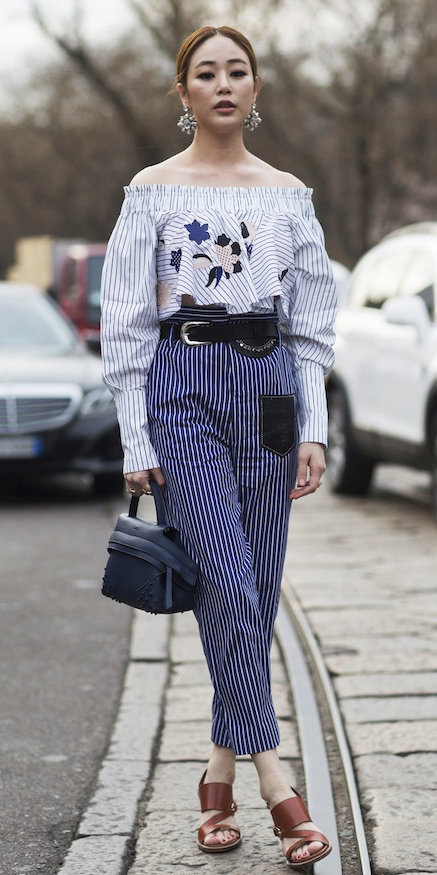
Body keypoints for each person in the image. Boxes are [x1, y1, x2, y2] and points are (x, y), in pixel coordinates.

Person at [100, 24, 337, 869]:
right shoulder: (151, 193)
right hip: (183, 388)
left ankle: (214, 779)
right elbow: (125, 323)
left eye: (238, 70)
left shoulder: (288, 195)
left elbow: (311, 327)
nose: (224, 84)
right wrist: (136, 433)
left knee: (256, 587)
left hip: (270, 393)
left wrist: (311, 425)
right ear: (184, 92)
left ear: (256, 87)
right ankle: (279, 786)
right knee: (228, 583)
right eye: (207, 72)